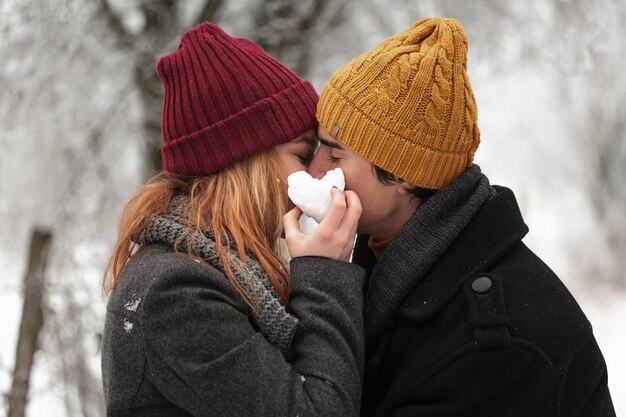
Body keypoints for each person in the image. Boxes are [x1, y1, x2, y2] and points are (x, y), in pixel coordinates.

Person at [308, 17, 616, 417]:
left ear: (402, 173)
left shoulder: (494, 346)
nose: (313, 168)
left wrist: (322, 284)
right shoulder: (389, 264)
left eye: (334, 155)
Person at [101, 22, 365, 417]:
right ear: (245, 163)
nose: (314, 175)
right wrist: (325, 274)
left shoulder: (208, 269)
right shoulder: (177, 295)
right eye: (300, 154)